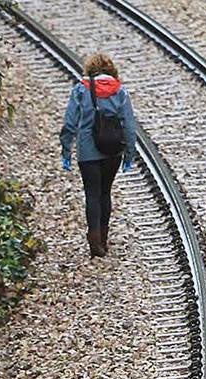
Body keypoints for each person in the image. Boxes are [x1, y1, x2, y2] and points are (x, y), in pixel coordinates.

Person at [59, 53, 137, 258]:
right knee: (105, 192)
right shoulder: (120, 91)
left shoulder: (81, 90)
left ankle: (94, 240)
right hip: (113, 151)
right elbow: (129, 126)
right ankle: (104, 237)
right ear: (111, 71)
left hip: (88, 151)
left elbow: (69, 123)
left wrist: (66, 149)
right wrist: (129, 154)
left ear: (90, 70)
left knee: (92, 194)